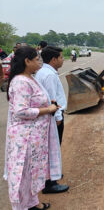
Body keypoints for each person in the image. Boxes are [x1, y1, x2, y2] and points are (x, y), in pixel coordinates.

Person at [4, 46, 60, 210]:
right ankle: (22, 206)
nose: (40, 62)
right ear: (27, 61)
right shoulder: (21, 81)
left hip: (33, 137)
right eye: (36, 59)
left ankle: (32, 203)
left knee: (31, 172)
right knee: (23, 174)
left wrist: (49, 105)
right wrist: (47, 110)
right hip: (25, 138)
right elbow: (20, 111)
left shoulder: (29, 78)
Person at [35, 46, 69, 194]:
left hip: (50, 116)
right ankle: (50, 183)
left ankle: (51, 175)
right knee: (52, 148)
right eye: (61, 57)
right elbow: (51, 99)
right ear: (54, 59)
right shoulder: (49, 75)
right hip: (53, 116)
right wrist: (58, 117)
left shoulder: (45, 72)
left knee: (51, 148)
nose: (63, 60)